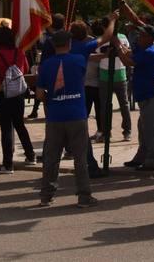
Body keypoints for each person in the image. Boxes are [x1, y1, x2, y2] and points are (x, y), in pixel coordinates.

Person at [35, 30, 97, 208]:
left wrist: (52, 101)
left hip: (55, 117)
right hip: (77, 115)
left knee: (51, 158)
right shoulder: (78, 60)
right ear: (69, 44)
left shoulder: (45, 65)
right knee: (80, 158)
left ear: (54, 45)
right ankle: (84, 197)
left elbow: (39, 93)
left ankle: (46, 196)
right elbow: (102, 40)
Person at [117, 22, 154, 171]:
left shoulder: (150, 52)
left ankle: (153, 160)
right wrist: (120, 46)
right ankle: (142, 157)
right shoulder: (143, 49)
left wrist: (117, 48)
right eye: (139, 34)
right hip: (146, 95)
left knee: (151, 129)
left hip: (152, 94)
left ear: (151, 38)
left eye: (143, 35)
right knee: (143, 128)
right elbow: (129, 53)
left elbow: (128, 61)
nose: (139, 37)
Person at [0, 24, 36, 172]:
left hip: (3, 93)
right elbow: (26, 69)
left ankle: (8, 164)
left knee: (6, 128)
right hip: (18, 93)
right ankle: (31, 155)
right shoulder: (19, 52)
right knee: (19, 124)